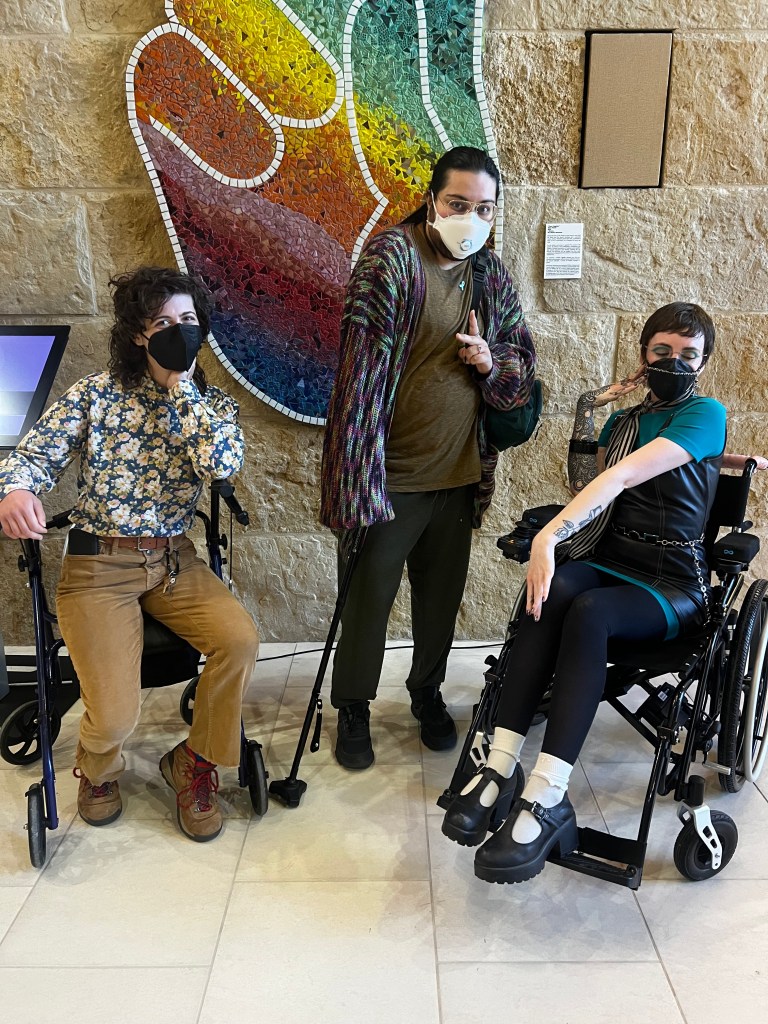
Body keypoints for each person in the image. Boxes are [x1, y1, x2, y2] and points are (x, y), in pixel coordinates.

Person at [442, 301, 730, 883]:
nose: (674, 362)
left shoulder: (705, 413)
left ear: (703, 363)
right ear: (644, 355)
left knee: (591, 610)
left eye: (688, 355)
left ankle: (547, 794)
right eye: (661, 352)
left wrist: (550, 534)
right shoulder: (621, 422)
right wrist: (589, 408)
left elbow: (621, 477)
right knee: (553, 590)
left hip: (672, 583)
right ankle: (500, 766)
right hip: (614, 559)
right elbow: (589, 487)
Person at [0, 266, 260, 843]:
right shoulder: (96, 394)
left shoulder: (211, 404)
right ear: (138, 334)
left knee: (239, 640)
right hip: (99, 564)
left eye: (189, 321)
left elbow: (221, 464)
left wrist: (181, 388)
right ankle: (96, 770)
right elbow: (32, 456)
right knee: (116, 715)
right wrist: (16, 489)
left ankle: (193, 763)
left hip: (173, 562)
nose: (178, 330)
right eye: (163, 322)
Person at [320, 147, 537, 770]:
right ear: (432, 201)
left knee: (440, 600)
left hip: (460, 474)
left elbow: (521, 359)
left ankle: (426, 691)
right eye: (459, 205)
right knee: (366, 598)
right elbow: (358, 379)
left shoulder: (488, 272)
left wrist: (490, 362)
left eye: (484, 208)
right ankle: (354, 707)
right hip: (389, 478)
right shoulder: (391, 260)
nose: (471, 218)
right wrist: (356, 483)